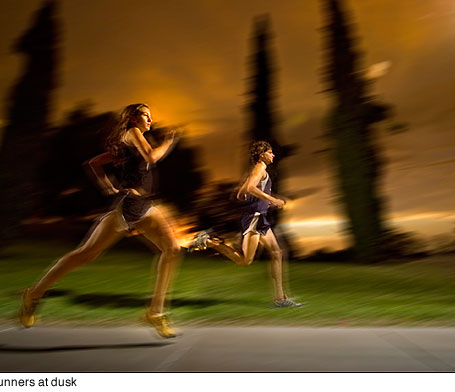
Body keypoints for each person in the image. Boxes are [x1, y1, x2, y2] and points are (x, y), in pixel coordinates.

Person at [19, 103, 181, 338]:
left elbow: (94, 164)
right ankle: (33, 294)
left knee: (172, 249)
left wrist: (108, 187)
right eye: (146, 115)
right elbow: (151, 156)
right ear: (135, 117)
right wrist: (168, 142)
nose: (150, 119)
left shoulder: (127, 144)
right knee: (86, 254)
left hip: (145, 206)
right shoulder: (133, 133)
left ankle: (155, 312)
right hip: (131, 207)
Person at [189, 140, 301, 307]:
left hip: (259, 217)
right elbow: (249, 188)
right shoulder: (260, 168)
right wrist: (272, 199)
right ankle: (209, 241)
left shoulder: (257, 169)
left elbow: (242, 192)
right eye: (270, 152)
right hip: (255, 219)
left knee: (277, 252)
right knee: (244, 261)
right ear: (262, 154)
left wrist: (260, 201)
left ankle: (281, 298)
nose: (273, 155)